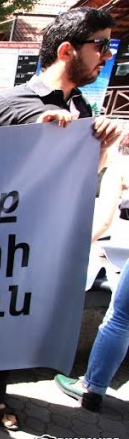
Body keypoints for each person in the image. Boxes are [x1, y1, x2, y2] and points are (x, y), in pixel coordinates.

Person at [0, 6, 123, 432]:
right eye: (100, 45)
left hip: (38, 243)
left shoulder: (82, 108)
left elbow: (81, 179)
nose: (107, 55)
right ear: (68, 50)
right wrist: (40, 134)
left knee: (15, 318)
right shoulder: (10, 103)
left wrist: (100, 149)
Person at [55, 130, 129, 411]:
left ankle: (93, 387)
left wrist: (71, 245)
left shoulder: (118, 168)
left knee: (120, 320)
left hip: (118, 255)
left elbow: (104, 221)